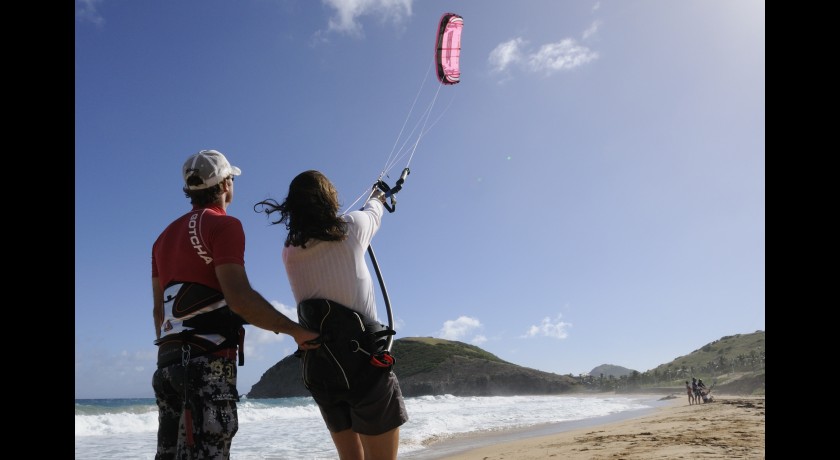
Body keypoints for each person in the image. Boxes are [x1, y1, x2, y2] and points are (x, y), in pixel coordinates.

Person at [151, 149, 321, 460]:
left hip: (167, 365)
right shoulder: (223, 225)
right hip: (205, 365)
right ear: (226, 183)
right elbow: (240, 299)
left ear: (190, 189)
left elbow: (159, 311)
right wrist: (295, 331)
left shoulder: (162, 239)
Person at [255, 170, 409, 460]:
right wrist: (379, 192)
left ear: (293, 208)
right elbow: (374, 211)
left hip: (323, 368)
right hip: (365, 365)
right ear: (330, 199)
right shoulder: (352, 228)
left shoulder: (289, 251)